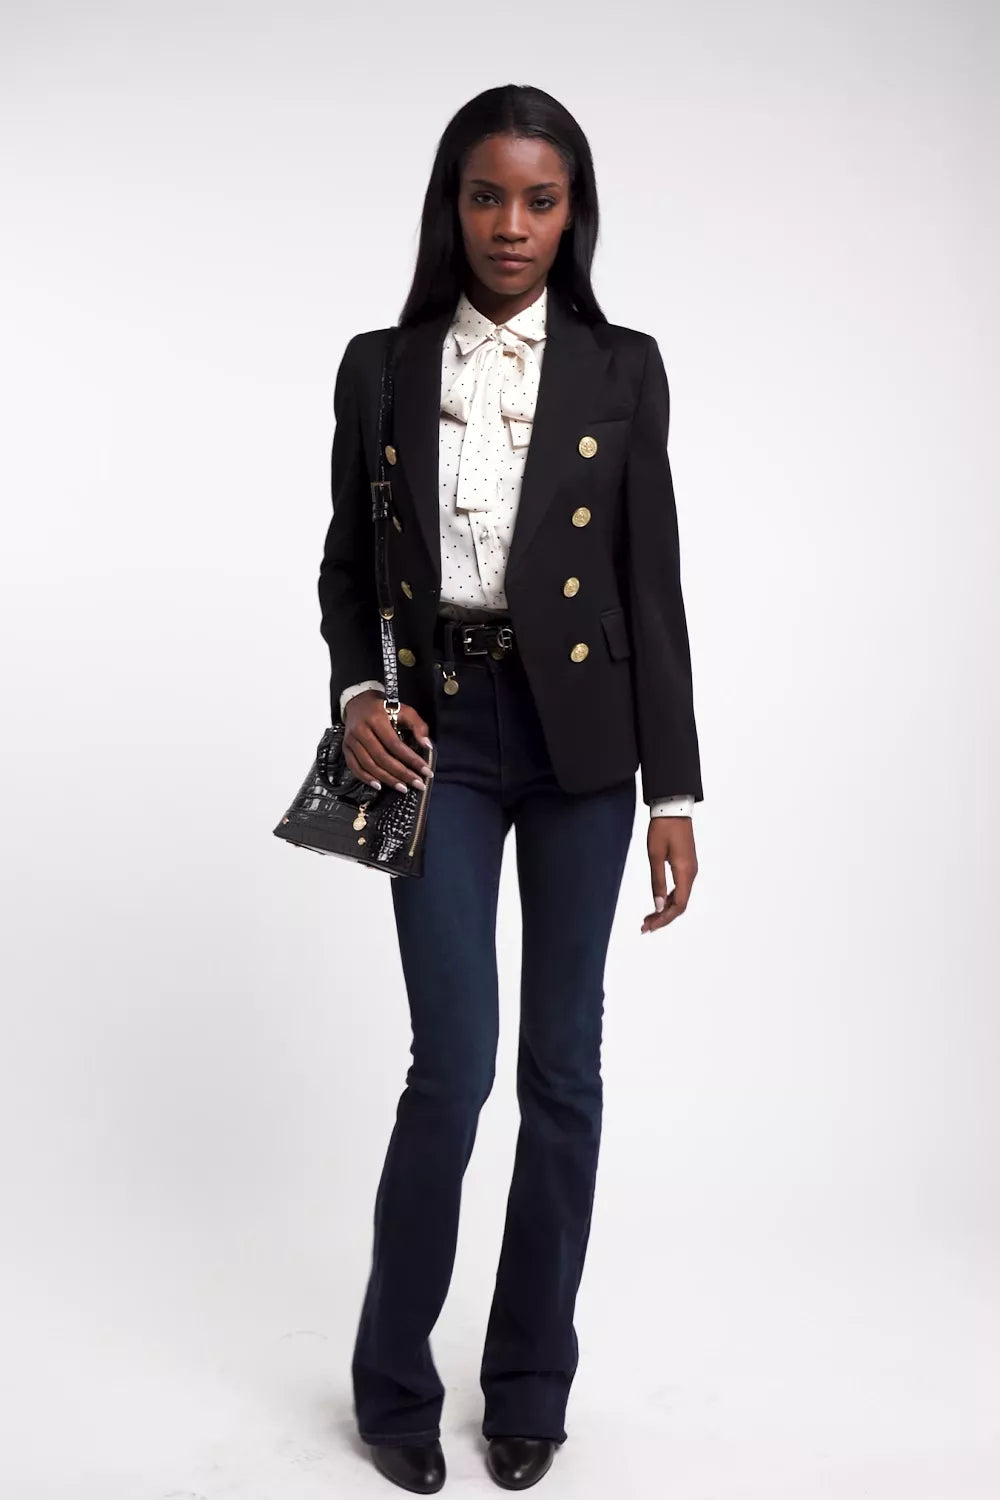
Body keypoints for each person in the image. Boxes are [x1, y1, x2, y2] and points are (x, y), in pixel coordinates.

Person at [317, 83, 703, 1494]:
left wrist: (676, 795)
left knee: (563, 1072)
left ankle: (533, 1381)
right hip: (439, 736)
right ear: (453, 206)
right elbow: (348, 568)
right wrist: (358, 695)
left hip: (585, 745)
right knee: (455, 1067)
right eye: (489, 196)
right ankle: (392, 1382)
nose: (513, 224)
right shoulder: (379, 367)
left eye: (541, 199)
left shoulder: (622, 367)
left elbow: (650, 584)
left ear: (572, 212)